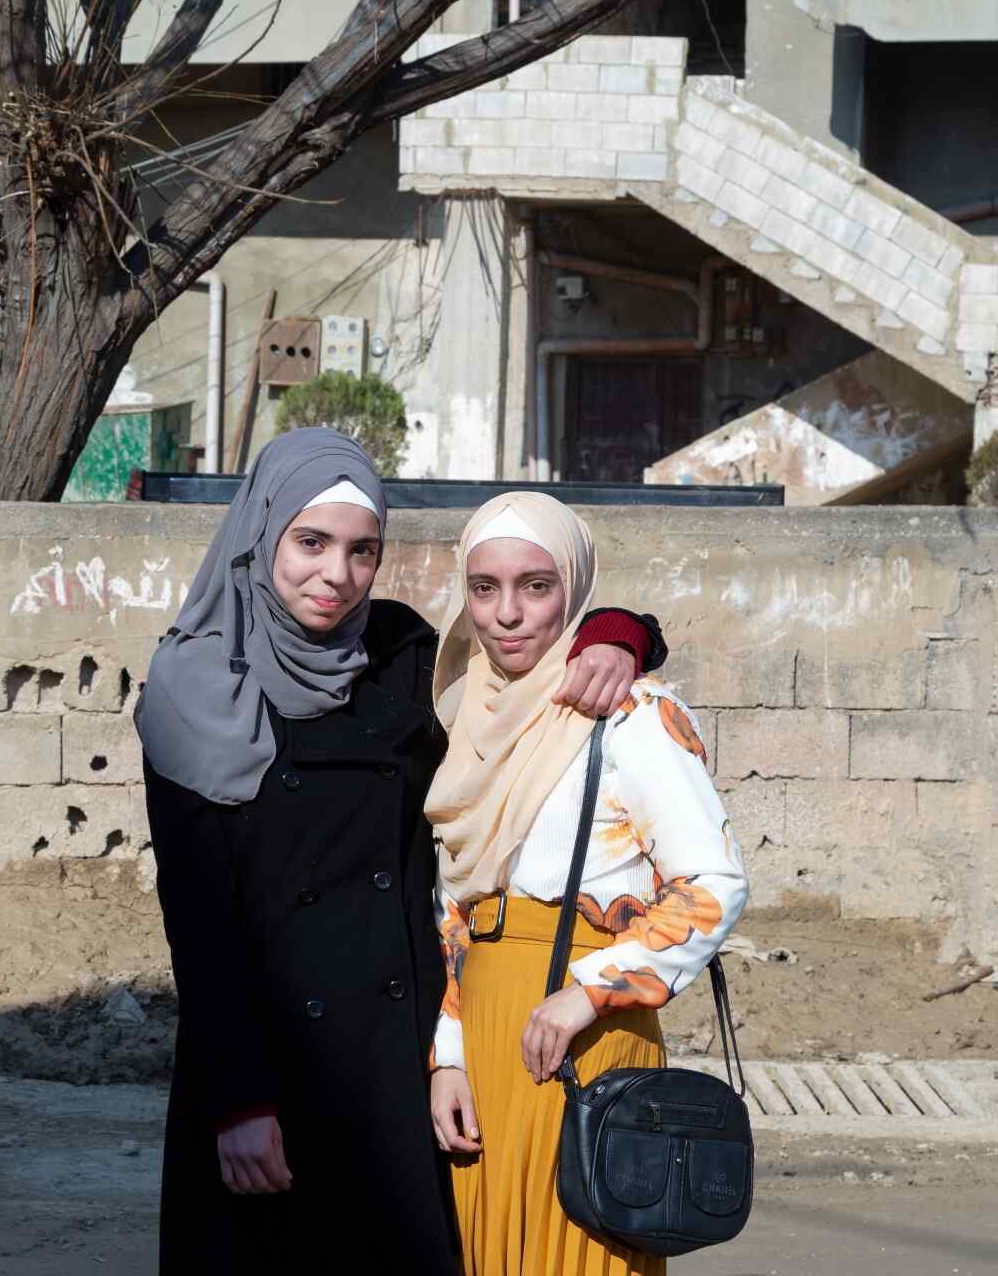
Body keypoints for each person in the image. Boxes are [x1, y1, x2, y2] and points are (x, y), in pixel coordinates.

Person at [136, 431, 666, 1274]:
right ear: (261, 531)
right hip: (267, 1062)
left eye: (361, 550)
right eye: (310, 543)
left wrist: (619, 633)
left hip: (395, 1059)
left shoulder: (398, 654)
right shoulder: (192, 688)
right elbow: (199, 925)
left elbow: (518, 649)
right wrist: (236, 1101)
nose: (335, 575)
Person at [425, 493, 748, 1276]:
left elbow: (712, 884)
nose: (507, 614)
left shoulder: (629, 711)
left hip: (586, 1037)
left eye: (537, 586)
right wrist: (447, 1057)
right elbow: (456, 912)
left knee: (579, 1249)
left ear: (574, 586)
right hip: (487, 1037)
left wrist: (589, 991)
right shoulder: (462, 712)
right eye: (484, 588)